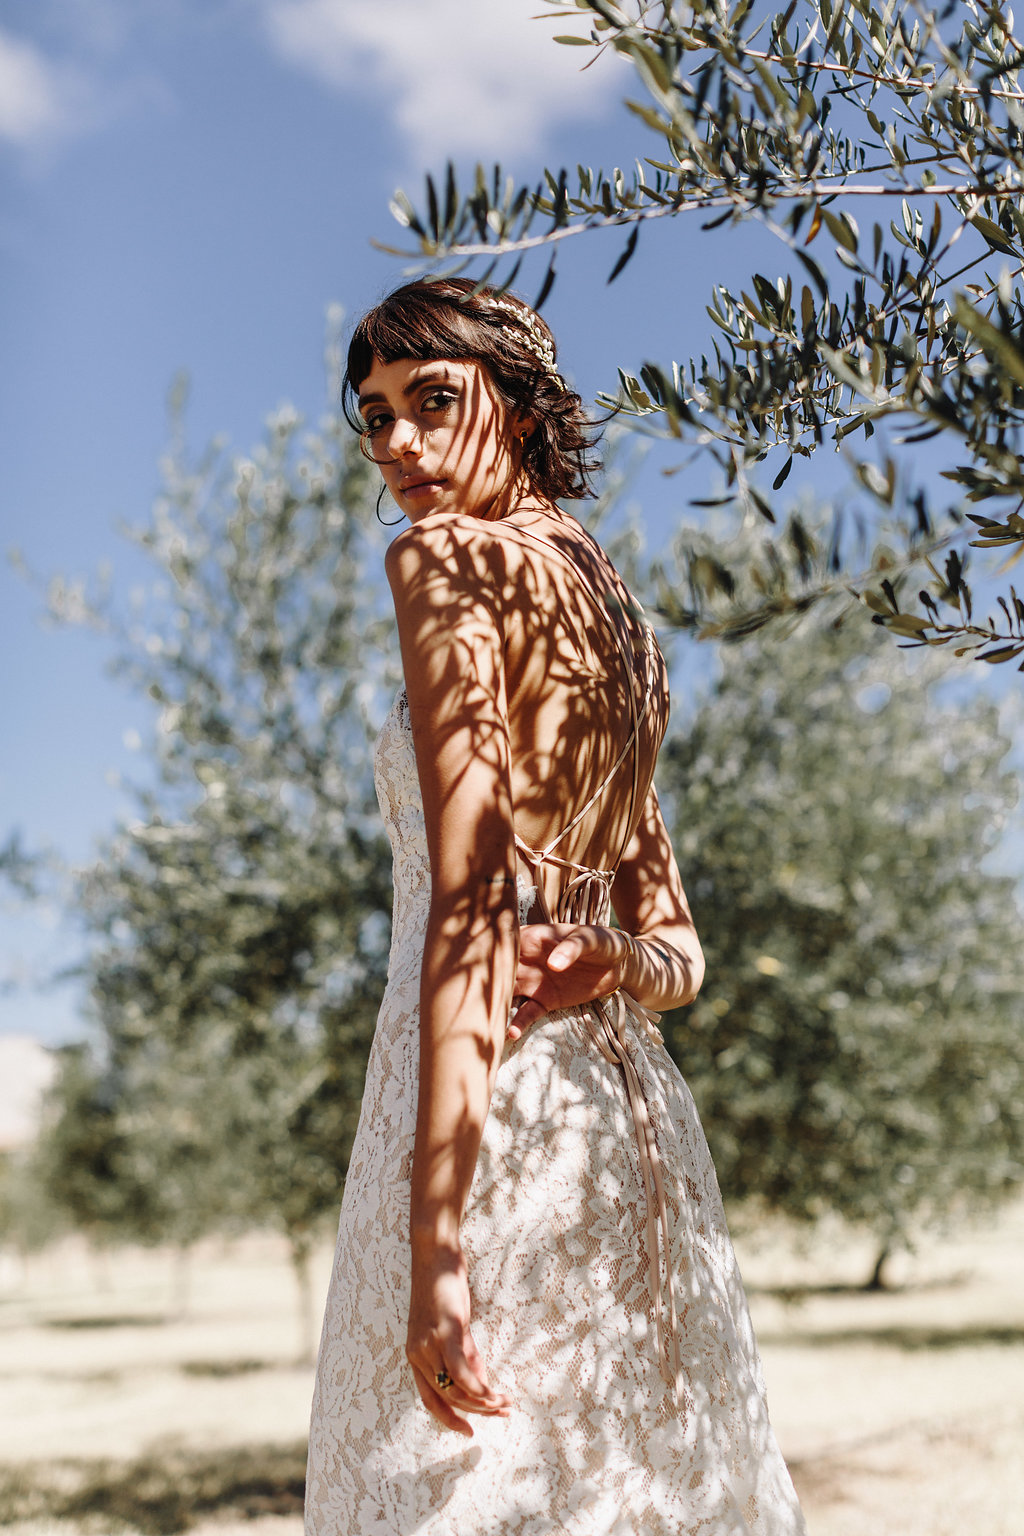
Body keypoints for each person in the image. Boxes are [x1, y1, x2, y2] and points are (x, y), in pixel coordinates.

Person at [305, 278, 807, 1536]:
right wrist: (605, 964)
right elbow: (677, 951)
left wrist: (435, 1250)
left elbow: (468, 903)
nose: (399, 445)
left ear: (518, 408)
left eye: (432, 401)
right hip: (623, 1126)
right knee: (622, 1489)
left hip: (482, 1104)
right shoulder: (620, 619)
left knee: (452, 1493)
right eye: (374, 417)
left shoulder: (441, 560)